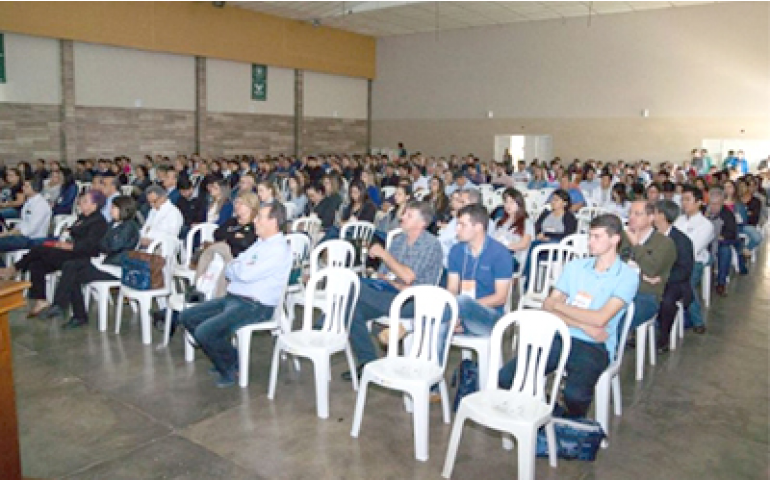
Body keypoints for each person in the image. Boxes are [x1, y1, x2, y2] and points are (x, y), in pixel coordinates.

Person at [499, 214, 638, 418]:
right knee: (507, 377)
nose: (590, 242)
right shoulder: (576, 267)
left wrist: (560, 306)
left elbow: (601, 319)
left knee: (575, 395)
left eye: (597, 237)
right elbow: (548, 306)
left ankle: (564, 422)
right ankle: (547, 413)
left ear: (615, 239)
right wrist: (581, 324)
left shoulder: (626, 276)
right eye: (590, 236)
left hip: (595, 344)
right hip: (562, 334)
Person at [180, 202, 292, 388]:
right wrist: (238, 269)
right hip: (235, 298)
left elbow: (243, 273)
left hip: (256, 306)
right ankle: (229, 360)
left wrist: (238, 269)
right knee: (188, 316)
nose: (255, 221)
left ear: (273, 222)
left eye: (259, 218)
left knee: (205, 332)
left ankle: (231, 368)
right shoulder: (261, 243)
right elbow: (233, 265)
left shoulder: (278, 250)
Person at [344, 201, 443, 380]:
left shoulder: (430, 244)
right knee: (350, 306)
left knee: (351, 288)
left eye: (408, 215)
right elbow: (384, 274)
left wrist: (384, 255)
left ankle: (322, 327)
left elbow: (408, 277)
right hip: (391, 293)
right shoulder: (398, 241)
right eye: (404, 213)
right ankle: (368, 363)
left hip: (416, 302)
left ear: (422, 223)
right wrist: (396, 280)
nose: (402, 217)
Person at [0, 190, 108, 316]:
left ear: (94, 206)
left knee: (39, 249)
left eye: (85, 201)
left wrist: (67, 245)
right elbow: (73, 233)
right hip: (67, 252)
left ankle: (13, 269)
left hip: (80, 256)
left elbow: (89, 245)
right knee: (37, 264)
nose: (80, 203)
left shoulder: (98, 222)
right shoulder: (83, 218)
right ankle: (40, 300)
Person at [38, 196, 140, 328]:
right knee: (70, 269)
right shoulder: (113, 224)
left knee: (72, 269)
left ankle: (64, 308)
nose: (110, 210)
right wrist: (104, 244)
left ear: (124, 209)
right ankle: (72, 312)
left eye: (114, 208)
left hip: (116, 268)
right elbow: (101, 244)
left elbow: (112, 246)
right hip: (104, 263)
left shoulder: (129, 226)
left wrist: (103, 244)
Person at [442, 204, 513, 346]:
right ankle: (434, 367)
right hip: (458, 315)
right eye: (457, 225)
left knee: (462, 301)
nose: (457, 229)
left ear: (478, 227)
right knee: (441, 324)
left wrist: (463, 309)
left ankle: (412, 325)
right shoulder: (456, 251)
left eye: (462, 225)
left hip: (489, 316)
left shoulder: (500, 253)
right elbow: (452, 289)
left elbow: (500, 298)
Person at [621, 201, 677, 336]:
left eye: (637, 214)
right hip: (619, 288)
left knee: (616, 319)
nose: (631, 217)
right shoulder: (623, 237)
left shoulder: (664, 243)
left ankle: (607, 353)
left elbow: (651, 269)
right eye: (630, 213)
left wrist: (636, 244)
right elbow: (613, 264)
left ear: (651, 217)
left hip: (645, 295)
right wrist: (641, 275)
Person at [652, 200, 693, 352]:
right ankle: (635, 330)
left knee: (667, 300)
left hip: (674, 281)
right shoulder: (650, 235)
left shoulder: (681, 241)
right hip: (650, 277)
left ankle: (664, 338)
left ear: (662, 216)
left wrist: (661, 278)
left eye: (654, 213)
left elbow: (684, 270)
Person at [673, 186, 714, 334]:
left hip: (694, 262)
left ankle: (697, 320)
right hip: (674, 259)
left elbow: (693, 249)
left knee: (686, 283)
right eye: (682, 199)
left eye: (688, 200)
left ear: (698, 202)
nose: (684, 203)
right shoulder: (679, 220)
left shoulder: (705, 225)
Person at [0, 179, 52, 259]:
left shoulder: (41, 205)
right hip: (22, 236)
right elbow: (22, 223)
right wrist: (9, 233)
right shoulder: (29, 202)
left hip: (32, 239)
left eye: (26, 186)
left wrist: (8, 234)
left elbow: (29, 230)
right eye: (23, 185)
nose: (23, 188)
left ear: (34, 188)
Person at [704, 188, 740, 296]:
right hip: (704, 242)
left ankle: (721, 283)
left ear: (722, 203)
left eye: (717, 204)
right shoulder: (703, 212)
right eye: (711, 203)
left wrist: (722, 236)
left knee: (725, 251)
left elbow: (732, 233)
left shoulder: (727, 214)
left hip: (719, 243)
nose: (714, 207)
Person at [492, 187, 533, 272]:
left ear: (519, 204)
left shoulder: (526, 222)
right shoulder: (498, 221)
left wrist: (505, 246)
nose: (508, 205)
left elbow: (523, 244)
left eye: (512, 202)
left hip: (513, 257)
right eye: (506, 202)